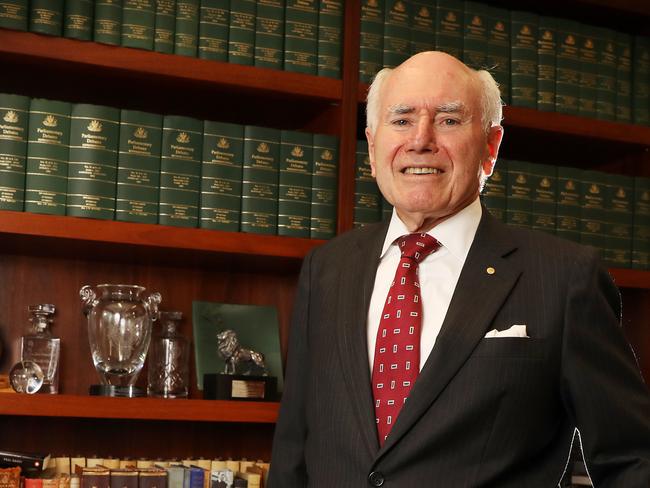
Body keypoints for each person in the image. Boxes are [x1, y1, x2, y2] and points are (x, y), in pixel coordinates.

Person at [268, 51, 650, 487]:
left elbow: (633, 460)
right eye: (402, 119)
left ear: (490, 146)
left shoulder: (564, 278)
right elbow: (293, 455)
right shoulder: (327, 269)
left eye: (448, 120)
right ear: (372, 147)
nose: (421, 140)